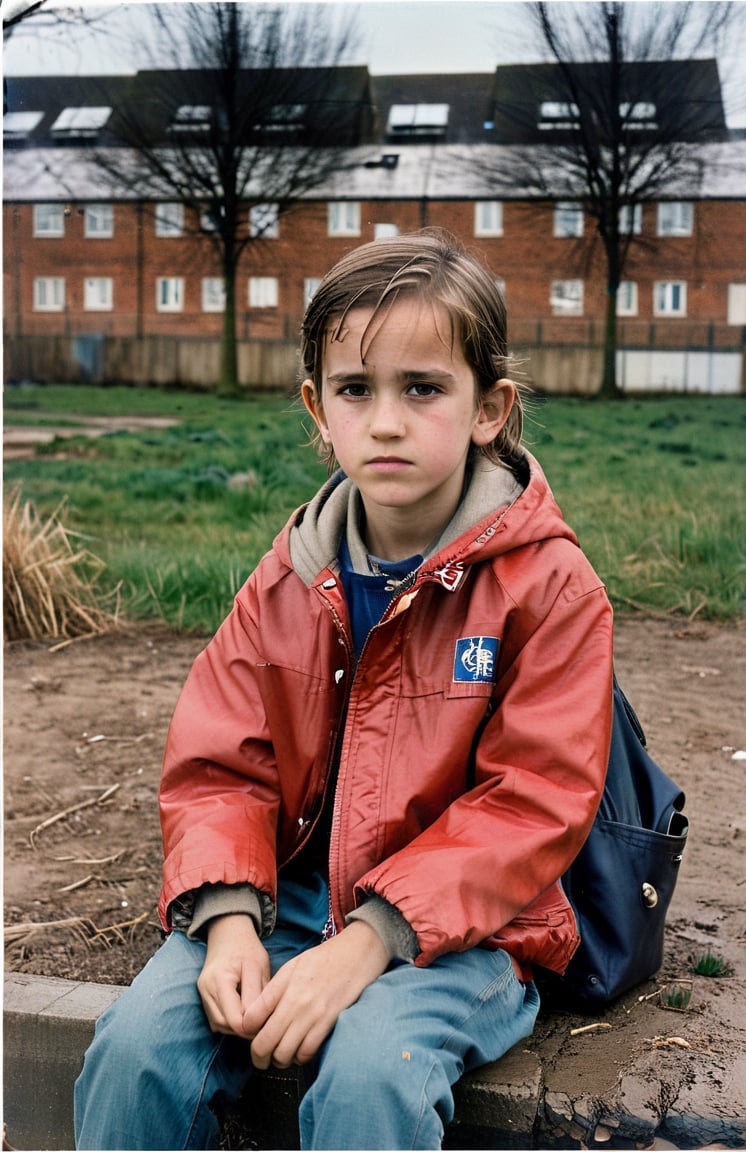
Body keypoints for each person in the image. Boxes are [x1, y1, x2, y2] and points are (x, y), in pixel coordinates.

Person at [74, 230, 614, 1151]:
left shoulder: (551, 589)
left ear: (490, 407)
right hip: (279, 908)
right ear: (318, 410)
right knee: (134, 1050)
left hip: (464, 938)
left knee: (373, 1074)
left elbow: (533, 802)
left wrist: (368, 941)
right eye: (356, 390)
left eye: (424, 388)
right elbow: (219, 770)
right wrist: (231, 921)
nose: (388, 421)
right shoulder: (286, 577)